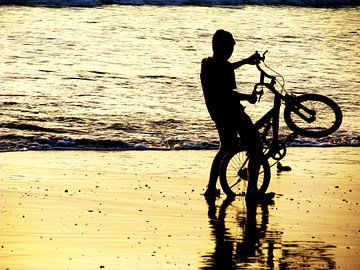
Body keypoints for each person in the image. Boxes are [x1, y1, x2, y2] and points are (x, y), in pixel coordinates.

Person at [200, 29, 269, 202]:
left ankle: (211, 187)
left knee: (226, 147)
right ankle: (252, 191)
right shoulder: (223, 68)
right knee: (255, 145)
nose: (231, 52)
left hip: (217, 113)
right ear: (223, 48)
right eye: (230, 49)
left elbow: (226, 67)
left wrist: (245, 61)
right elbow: (226, 93)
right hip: (232, 112)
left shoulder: (207, 63)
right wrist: (248, 97)